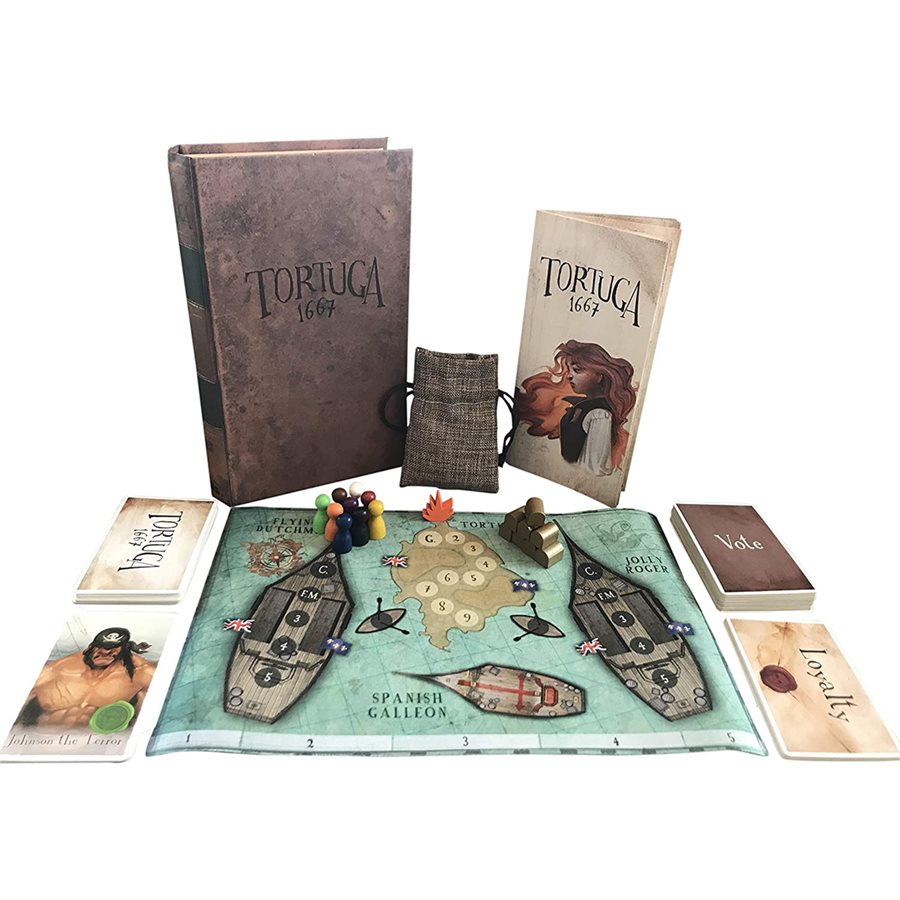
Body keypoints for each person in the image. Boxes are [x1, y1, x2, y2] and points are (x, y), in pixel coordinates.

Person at [516, 340, 637, 476]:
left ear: (599, 376)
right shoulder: (583, 407)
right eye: (569, 369)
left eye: (577, 370)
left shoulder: (599, 414)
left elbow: (595, 468)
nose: (568, 375)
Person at [16, 627, 156, 729]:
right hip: (38, 740)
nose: (105, 652)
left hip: (103, 745)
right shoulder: (53, 671)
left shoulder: (143, 674)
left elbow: (147, 724)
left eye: (112, 649)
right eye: (101, 647)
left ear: (124, 650)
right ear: (92, 647)